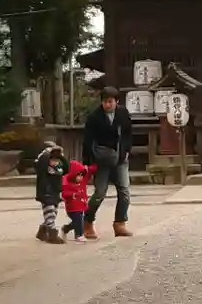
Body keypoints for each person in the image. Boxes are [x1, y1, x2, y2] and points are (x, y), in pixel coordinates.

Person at [80, 87, 134, 238]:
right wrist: (87, 163)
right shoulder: (94, 117)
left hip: (120, 157)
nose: (108, 105)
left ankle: (120, 223)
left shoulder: (123, 113)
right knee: (99, 193)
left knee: (124, 191)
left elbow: (128, 133)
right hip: (102, 159)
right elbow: (87, 140)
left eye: (110, 101)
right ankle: (87, 222)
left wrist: (127, 150)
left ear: (117, 101)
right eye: (105, 102)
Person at [32, 140, 69, 244]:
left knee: (53, 212)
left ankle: (43, 231)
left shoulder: (58, 167)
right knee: (50, 211)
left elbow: (66, 169)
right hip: (45, 190)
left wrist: (61, 157)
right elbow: (40, 168)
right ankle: (52, 234)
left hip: (56, 190)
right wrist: (47, 155)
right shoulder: (43, 162)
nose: (55, 161)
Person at [61, 154, 96, 242]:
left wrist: (97, 164)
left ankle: (66, 228)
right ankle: (79, 235)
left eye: (82, 175)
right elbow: (64, 193)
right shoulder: (67, 182)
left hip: (81, 206)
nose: (80, 177)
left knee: (77, 221)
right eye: (78, 175)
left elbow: (91, 170)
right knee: (78, 220)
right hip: (72, 207)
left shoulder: (83, 181)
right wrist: (72, 194)